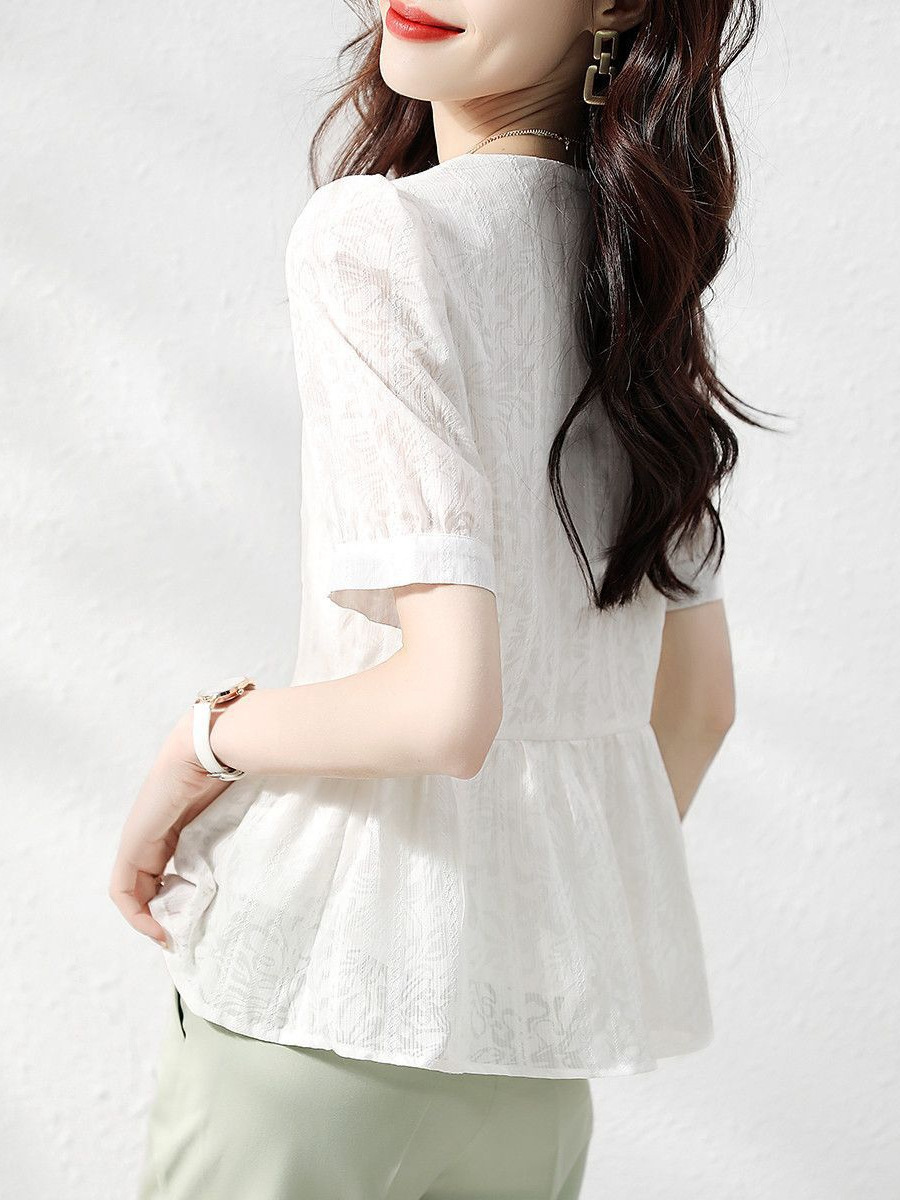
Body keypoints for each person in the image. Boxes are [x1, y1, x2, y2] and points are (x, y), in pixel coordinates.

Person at [110, 0, 766, 1195]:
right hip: (524, 1075)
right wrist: (518, 924)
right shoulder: (641, 281)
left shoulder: (376, 234)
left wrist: (201, 739)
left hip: (312, 1029)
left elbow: (443, 708)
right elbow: (698, 706)